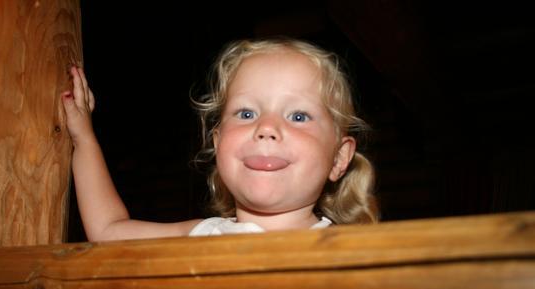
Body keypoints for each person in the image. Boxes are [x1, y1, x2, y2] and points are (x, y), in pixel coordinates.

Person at [61, 38, 378, 241]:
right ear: (217, 143)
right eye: (246, 113)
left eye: (298, 116)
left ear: (339, 158)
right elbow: (108, 231)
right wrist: (84, 138)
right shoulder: (205, 234)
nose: (266, 127)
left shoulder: (353, 251)